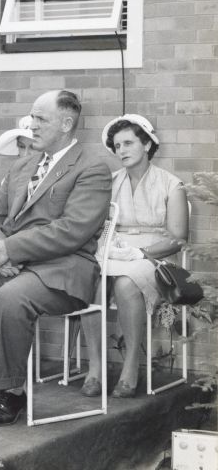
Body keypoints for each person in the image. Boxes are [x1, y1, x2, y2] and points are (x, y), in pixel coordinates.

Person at [0, 90, 111, 427]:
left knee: (9, 300)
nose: (32, 124)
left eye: (41, 118)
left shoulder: (92, 168)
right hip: (8, 264)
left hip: (61, 270)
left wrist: (10, 249)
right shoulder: (23, 165)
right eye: (32, 117)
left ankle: (11, 392)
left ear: (67, 123)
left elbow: (73, 230)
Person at [79, 114, 189, 399]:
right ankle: (96, 368)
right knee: (92, 279)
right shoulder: (111, 182)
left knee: (127, 283)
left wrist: (140, 252)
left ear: (147, 144)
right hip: (115, 250)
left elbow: (177, 238)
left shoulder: (171, 184)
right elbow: (97, 225)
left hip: (156, 258)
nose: (122, 150)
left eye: (128, 143)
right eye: (117, 146)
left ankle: (130, 368)